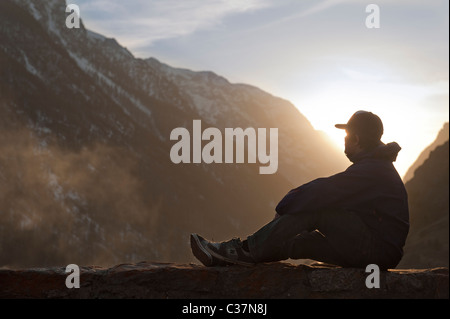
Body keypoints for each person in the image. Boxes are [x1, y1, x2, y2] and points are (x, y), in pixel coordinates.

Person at [191, 111, 410, 270]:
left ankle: (243, 250)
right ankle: (231, 258)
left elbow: (325, 190)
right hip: (377, 253)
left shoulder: (373, 170)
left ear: (357, 139)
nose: (343, 140)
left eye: (346, 135)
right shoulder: (375, 168)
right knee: (298, 243)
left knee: (316, 210)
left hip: (375, 250)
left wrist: (286, 204)